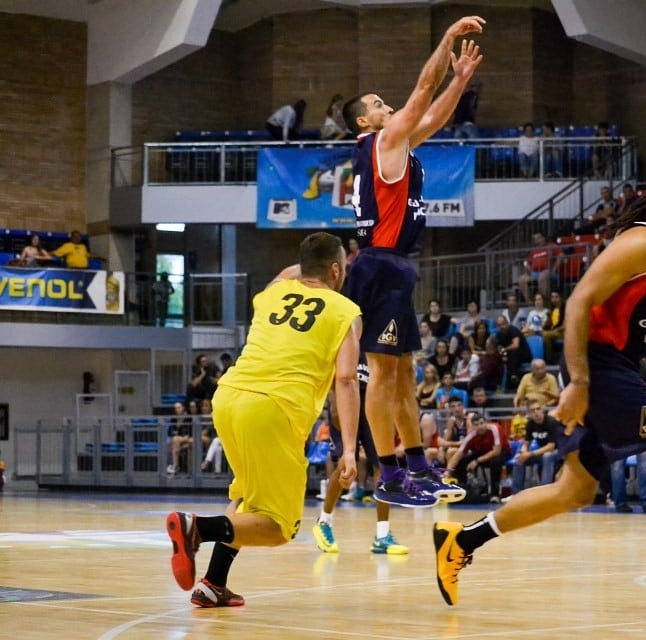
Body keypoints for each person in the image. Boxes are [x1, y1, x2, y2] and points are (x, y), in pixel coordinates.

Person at [432, 160, 646, 619]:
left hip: (619, 367)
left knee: (575, 490)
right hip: (595, 363)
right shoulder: (645, 242)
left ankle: (461, 541)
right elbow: (579, 299)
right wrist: (579, 381)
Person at [164, 232, 362, 607]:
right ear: (336, 270)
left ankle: (212, 583)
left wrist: (308, 265)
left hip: (228, 397)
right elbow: (347, 381)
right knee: (279, 527)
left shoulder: (271, 293)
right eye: (344, 268)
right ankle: (197, 529)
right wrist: (349, 448)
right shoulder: (345, 312)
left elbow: (290, 272)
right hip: (273, 408)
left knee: (245, 496)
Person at [340, 15, 484, 507]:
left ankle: (418, 468)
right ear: (365, 121)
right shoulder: (382, 142)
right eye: (378, 104)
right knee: (384, 376)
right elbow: (423, 91)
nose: (388, 105)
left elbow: (434, 117)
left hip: (392, 266)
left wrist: (461, 81)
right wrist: (446, 43)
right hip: (379, 265)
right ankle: (388, 474)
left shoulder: (394, 144)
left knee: (402, 374)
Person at [313, 354, 408, 556]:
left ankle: (382, 535)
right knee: (345, 465)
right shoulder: (346, 330)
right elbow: (333, 374)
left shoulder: (378, 337)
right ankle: (324, 521)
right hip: (345, 398)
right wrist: (334, 403)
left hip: (373, 402)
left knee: (383, 467)